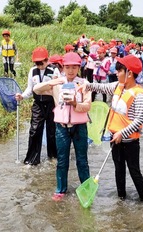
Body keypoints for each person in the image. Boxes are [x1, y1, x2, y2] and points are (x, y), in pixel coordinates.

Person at [79, 54, 143, 201]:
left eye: (119, 70)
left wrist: (122, 133)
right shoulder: (118, 86)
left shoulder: (139, 94)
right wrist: (87, 85)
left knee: (134, 171)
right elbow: (101, 87)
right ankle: (121, 198)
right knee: (119, 170)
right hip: (114, 139)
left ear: (129, 73)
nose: (115, 73)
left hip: (130, 142)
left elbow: (139, 120)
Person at [33, 52, 91, 201]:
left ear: (79, 67)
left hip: (80, 127)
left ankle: (86, 189)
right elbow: (36, 89)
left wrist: (75, 104)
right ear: (63, 67)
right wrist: (51, 83)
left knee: (82, 160)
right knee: (62, 160)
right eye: (67, 67)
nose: (70, 70)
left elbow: (87, 106)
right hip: (61, 127)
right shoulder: (57, 83)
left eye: (74, 67)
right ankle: (60, 189)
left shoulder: (84, 84)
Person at [15, 47, 60, 165]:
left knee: (52, 132)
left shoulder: (54, 70)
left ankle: (53, 157)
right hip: (38, 105)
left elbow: (58, 88)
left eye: (42, 62)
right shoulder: (32, 71)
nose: (40, 65)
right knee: (34, 130)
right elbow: (30, 89)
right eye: (37, 63)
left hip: (51, 104)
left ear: (47, 59)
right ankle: (32, 160)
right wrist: (22, 96)